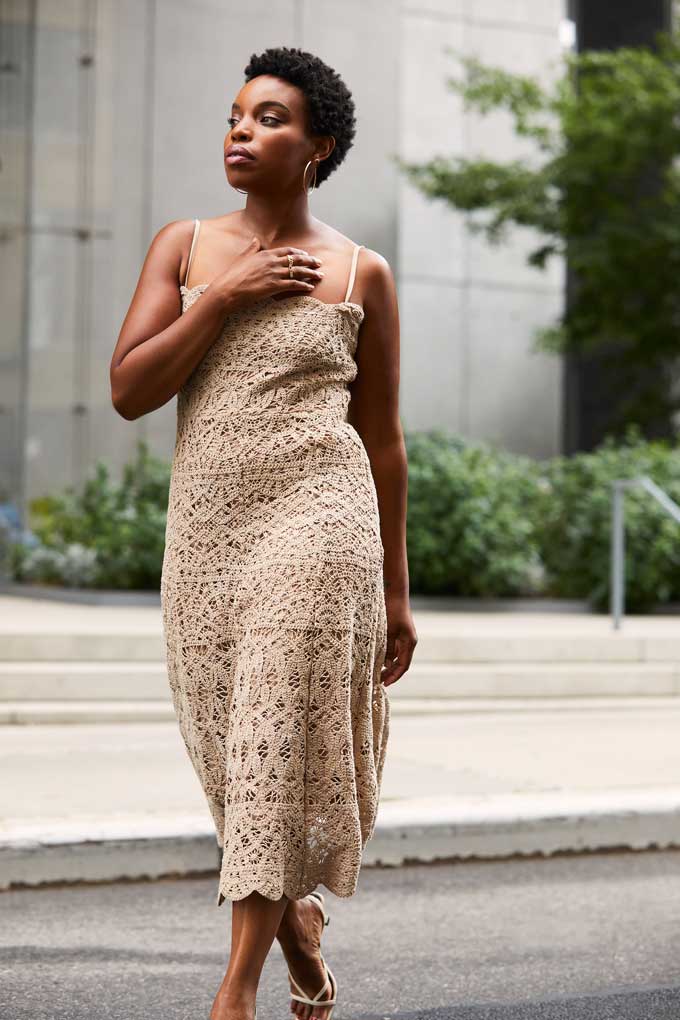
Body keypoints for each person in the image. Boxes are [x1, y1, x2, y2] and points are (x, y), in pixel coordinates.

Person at [110, 45, 416, 1020]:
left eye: (270, 118)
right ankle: (297, 934)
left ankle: (234, 991)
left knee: (273, 735)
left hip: (320, 522)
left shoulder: (361, 272)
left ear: (318, 146)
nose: (242, 131)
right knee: (232, 754)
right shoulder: (184, 246)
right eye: (236, 116)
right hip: (207, 532)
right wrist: (228, 295)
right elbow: (130, 390)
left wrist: (397, 591)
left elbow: (383, 442)